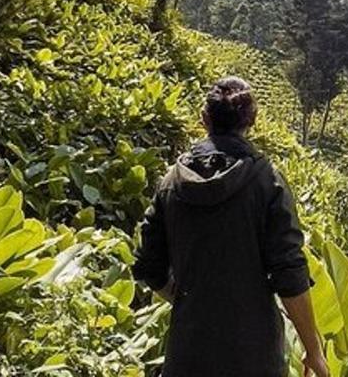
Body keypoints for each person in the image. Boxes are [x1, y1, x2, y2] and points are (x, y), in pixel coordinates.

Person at [135, 76, 329, 376]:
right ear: (251, 120)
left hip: (189, 351)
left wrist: (190, 299)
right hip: (254, 354)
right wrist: (313, 351)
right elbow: (289, 272)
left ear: (204, 119)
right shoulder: (267, 182)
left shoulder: (171, 182)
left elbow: (149, 264)